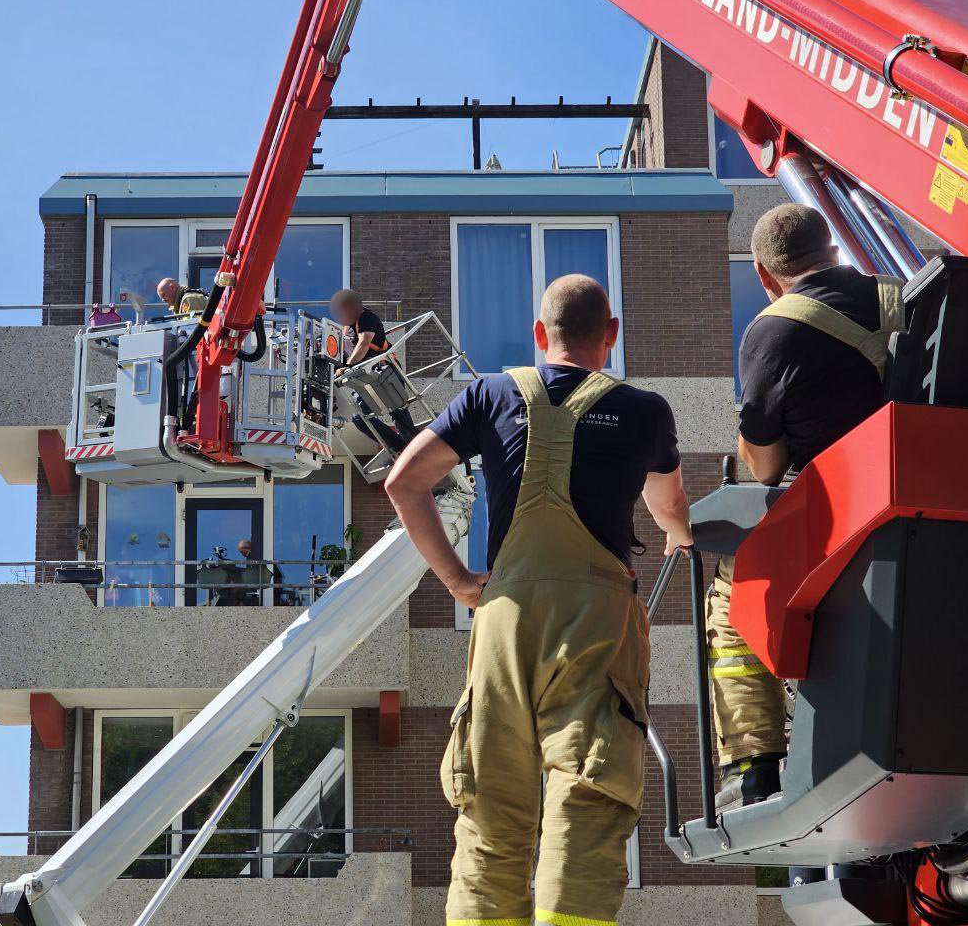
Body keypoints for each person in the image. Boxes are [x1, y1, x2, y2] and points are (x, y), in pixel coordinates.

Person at [385, 274, 692, 926]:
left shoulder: (490, 394)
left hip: (503, 625)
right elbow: (669, 508)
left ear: (538, 335)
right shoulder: (645, 411)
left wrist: (460, 582)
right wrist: (679, 537)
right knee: (587, 798)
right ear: (610, 337)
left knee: (492, 814)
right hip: (594, 630)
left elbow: (404, 482)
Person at [709, 203, 904, 809]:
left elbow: (764, 466)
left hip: (840, 527)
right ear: (835, 253)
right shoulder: (904, 300)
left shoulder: (775, 329)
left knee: (730, 595)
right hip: (921, 512)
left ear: (767, 277)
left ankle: (755, 766)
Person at [329, 288, 418, 452]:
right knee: (359, 418)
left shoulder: (366, 317)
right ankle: (398, 446)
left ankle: (413, 447)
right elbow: (345, 354)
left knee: (397, 409)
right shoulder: (347, 328)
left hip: (383, 371)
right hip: (363, 378)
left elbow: (364, 343)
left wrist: (347, 367)